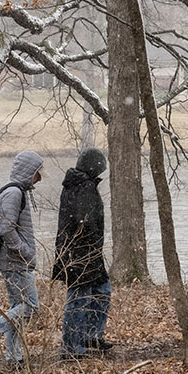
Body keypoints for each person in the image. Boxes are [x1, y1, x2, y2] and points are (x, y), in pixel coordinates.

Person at [0, 150, 44, 369]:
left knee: (18, 308)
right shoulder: (14, 193)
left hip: (13, 260)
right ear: (28, 171)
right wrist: (25, 252)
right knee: (30, 307)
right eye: (37, 172)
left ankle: (14, 358)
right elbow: (6, 230)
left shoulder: (17, 191)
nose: (40, 177)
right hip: (15, 261)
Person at [52, 147, 112, 360]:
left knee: (102, 290)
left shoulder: (75, 185)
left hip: (82, 253)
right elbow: (84, 221)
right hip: (82, 254)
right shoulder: (84, 187)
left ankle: (90, 336)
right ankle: (72, 348)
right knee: (79, 299)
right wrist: (92, 244)